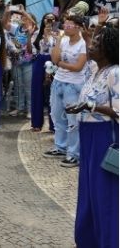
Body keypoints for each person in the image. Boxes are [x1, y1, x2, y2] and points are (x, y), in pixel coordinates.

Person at [66, 25, 118, 248]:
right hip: (87, 137)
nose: (90, 46)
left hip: (104, 138)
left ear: (107, 48)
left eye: (96, 43)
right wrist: (80, 107)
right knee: (88, 192)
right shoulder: (94, 70)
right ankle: (89, 240)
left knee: (104, 195)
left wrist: (89, 105)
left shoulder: (115, 73)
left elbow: (117, 111)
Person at [44, 14, 87, 168]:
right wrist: (59, 40)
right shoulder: (64, 40)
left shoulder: (83, 43)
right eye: (65, 24)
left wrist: (60, 63)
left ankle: (74, 154)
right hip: (59, 81)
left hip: (74, 85)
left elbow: (78, 67)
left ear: (78, 27)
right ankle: (60, 147)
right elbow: (54, 59)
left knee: (73, 121)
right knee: (57, 116)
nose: (66, 27)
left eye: (70, 25)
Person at [29, 13, 57, 132]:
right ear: (43, 20)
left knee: (52, 93)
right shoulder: (37, 33)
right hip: (39, 60)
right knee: (37, 92)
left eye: (52, 18)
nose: (49, 20)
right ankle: (36, 123)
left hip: (54, 60)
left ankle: (53, 124)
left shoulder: (59, 33)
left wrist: (51, 35)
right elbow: (32, 50)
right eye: (47, 18)